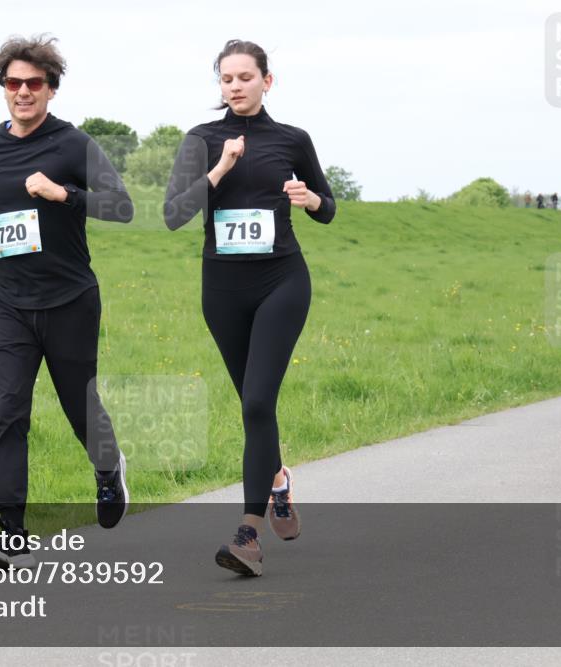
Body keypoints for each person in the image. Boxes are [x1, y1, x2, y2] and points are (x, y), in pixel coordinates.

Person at [0, 35, 133, 569]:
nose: (24, 92)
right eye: (14, 83)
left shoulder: (72, 145)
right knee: (8, 411)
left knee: (80, 406)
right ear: (3, 89)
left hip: (70, 299)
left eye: (35, 83)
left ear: (51, 89)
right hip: (10, 303)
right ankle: (11, 531)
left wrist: (65, 195)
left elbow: (121, 206)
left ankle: (108, 470)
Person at [164, 39, 336, 576]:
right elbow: (174, 213)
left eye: (244, 76)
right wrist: (219, 169)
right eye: (225, 79)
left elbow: (328, 207)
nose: (234, 86)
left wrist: (310, 201)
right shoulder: (202, 139)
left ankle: (246, 534)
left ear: (267, 80)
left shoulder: (292, 139)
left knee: (259, 402)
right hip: (222, 289)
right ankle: (278, 480)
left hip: (282, 280)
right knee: (251, 405)